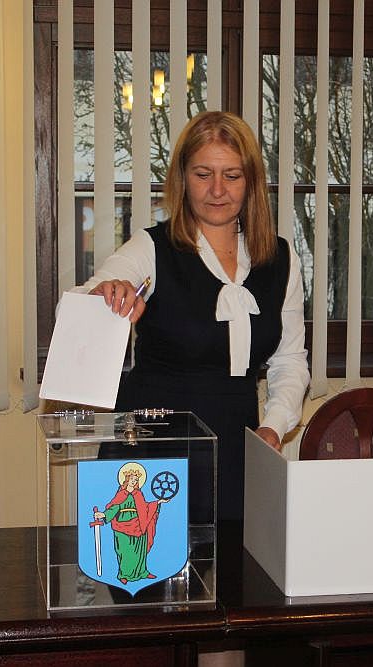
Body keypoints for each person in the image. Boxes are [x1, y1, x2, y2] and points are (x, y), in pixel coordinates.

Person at [75, 111, 310, 522]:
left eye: (231, 176)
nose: (217, 190)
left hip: (236, 443)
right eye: (203, 174)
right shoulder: (151, 247)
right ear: (183, 178)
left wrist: (272, 427)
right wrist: (106, 293)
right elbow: (89, 295)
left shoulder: (281, 259)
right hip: (151, 446)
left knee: (235, 559)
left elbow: (290, 361)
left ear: (251, 182)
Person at [94, 462, 166, 584]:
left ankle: (142, 572)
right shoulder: (121, 493)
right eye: (132, 479)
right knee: (125, 552)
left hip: (139, 525)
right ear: (127, 479)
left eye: (136, 480)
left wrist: (157, 503)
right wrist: (104, 515)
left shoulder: (138, 494)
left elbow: (145, 508)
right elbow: (115, 506)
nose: (134, 481)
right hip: (122, 526)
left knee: (140, 551)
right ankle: (124, 574)